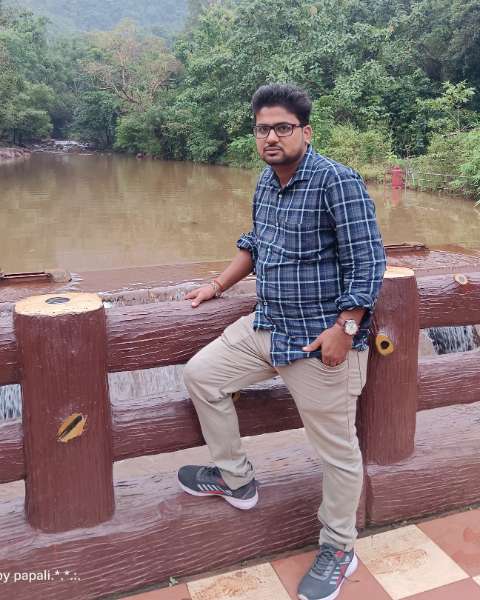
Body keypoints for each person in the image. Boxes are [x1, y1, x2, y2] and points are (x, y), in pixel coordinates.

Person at [177, 83, 386, 600]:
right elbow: (254, 245)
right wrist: (215, 286)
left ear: (305, 132)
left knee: (336, 453)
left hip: (320, 341)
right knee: (202, 375)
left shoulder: (337, 181)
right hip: (266, 325)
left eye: (282, 128)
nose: (271, 137)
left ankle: (339, 546)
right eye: (262, 129)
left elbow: (369, 261)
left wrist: (346, 329)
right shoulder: (266, 183)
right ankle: (236, 479)